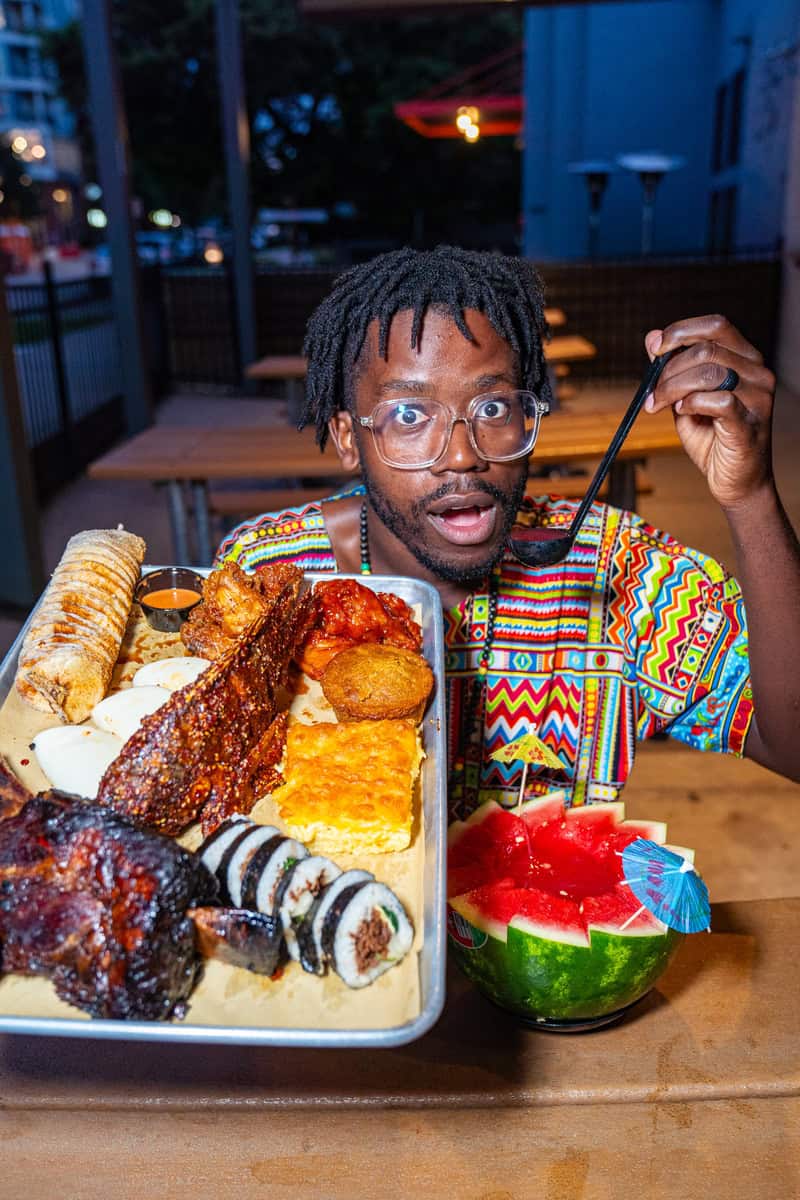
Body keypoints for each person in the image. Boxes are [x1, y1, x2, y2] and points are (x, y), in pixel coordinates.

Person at [216, 245, 800, 821]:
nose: (464, 457)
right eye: (411, 417)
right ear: (348, 438)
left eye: (493, 408)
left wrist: (749, 497)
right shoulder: (268, 577)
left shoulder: (621, 573)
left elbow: (790, 744)